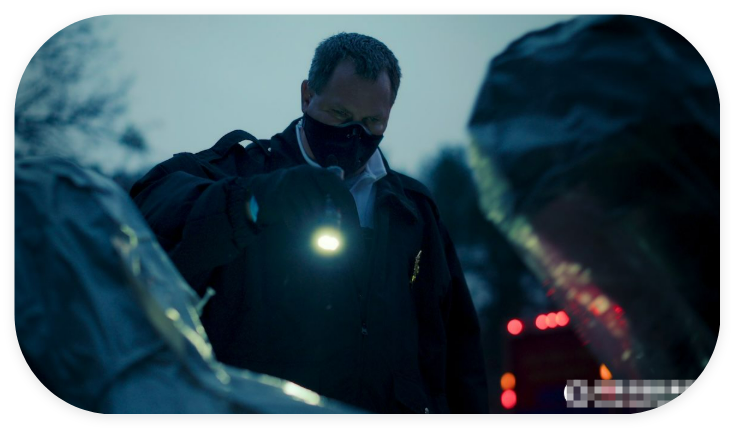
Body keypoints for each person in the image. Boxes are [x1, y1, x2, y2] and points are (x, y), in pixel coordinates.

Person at [130, 32, 489, 414]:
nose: (354, 134)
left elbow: (458, 351)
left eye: (372, 121)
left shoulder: (413, 212)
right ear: (307, 96)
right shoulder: (238, 172)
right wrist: (253, 202)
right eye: (340, 114)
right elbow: (145, 215)